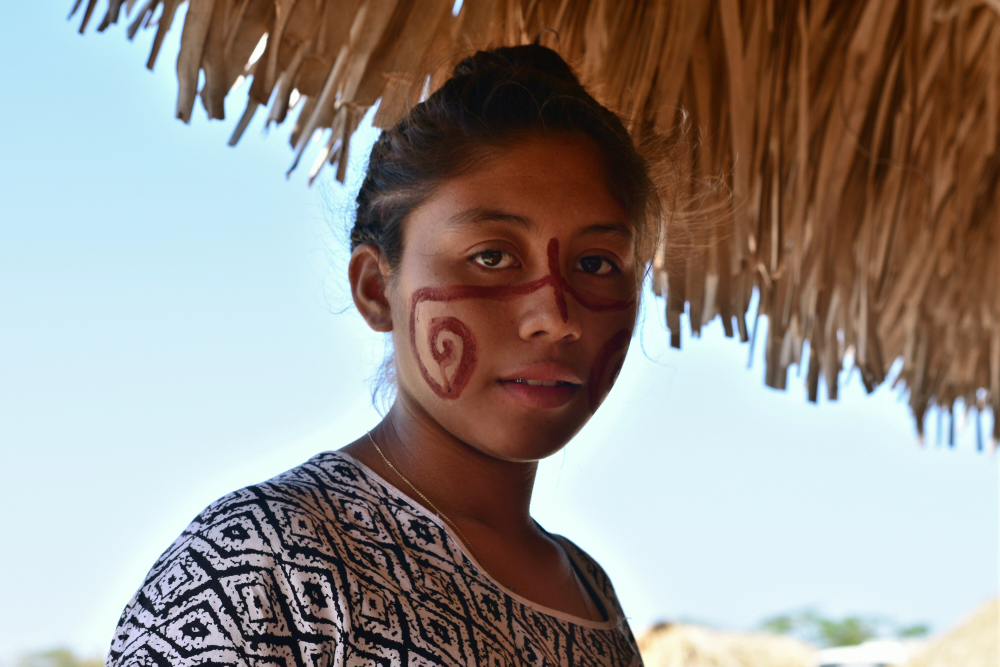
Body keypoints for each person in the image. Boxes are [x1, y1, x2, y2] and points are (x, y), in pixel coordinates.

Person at [106, 43, 660, 667]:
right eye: (492, 256)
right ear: (376, 289)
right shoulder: (261, 561)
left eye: (596, 264)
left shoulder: (590, 593)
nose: (555, 318)